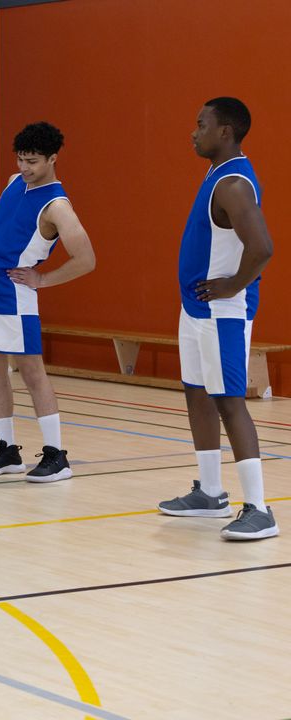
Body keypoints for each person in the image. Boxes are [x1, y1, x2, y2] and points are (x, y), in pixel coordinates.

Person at [158, 97, 277, 540]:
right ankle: (209, 492)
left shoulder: (233, 184)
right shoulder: (215, 174)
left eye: (201, 124)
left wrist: (234, 285)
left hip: (223, 311)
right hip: (197, 308)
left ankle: (260, 510)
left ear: (224, 131)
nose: (194, 131)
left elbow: (262, 247)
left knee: (229, 400)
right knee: (197, 392)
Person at [0, 121, 96, 482]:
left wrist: (43, 279)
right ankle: (7, 450)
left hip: (13, 296)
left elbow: (86, 259)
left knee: (32, 371)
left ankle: (56, 454)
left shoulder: (57, 206)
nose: (24, 168)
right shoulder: (13, 183)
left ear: (53, 158)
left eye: (32, 161)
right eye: (20, 159)